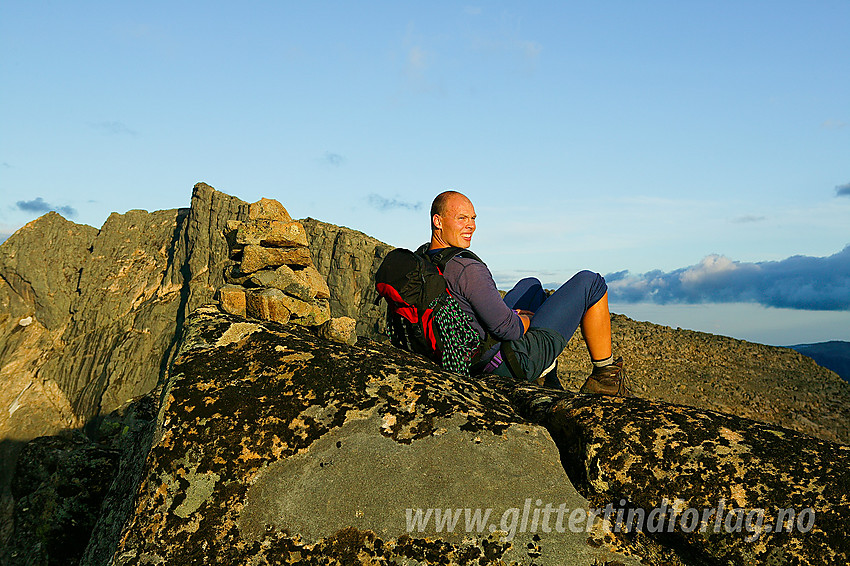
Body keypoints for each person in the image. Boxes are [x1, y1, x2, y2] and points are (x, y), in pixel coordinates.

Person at [423, 190, 630, 396]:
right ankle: (605, 376)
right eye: (462, 218)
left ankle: (547, 376)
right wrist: (523, 319)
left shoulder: (424, 261)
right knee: (591, 282)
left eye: (473, 218)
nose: (471, 225)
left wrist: (511, 316)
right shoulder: (466, 269)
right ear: (438, 221)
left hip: (468, 353)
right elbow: (508, 330)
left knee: (531, 285)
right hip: (506, 364)